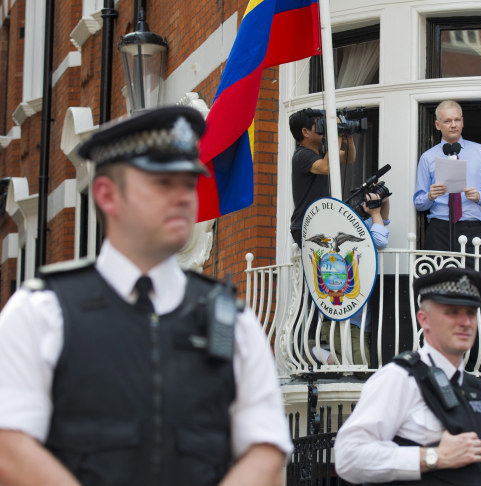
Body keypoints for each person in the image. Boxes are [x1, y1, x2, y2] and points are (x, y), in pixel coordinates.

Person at [0, 106, 293, 486]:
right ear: (107, 194)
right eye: (162, 183)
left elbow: (266, 450)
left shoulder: (231, 319)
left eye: (188, 183)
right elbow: (10, 446)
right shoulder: (42, 311)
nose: (184, 197)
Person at [334, 267, 481, 485]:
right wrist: (434, 457)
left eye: (471, 313)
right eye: (452, 312)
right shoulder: (398, 379)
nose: (465, 322)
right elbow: (348, 456)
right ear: (424, 319)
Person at [413, 100, 481, 255]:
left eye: (457, 120)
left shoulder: (480, 152)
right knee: (439, 280)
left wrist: (479, 196)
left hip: (472, 228)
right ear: (437, 125)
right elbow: (418, 203)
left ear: (462, 122)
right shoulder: (427, 158)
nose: (453, 125)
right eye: (447, 121)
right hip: (439, 229)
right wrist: (430, 196)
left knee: (474, 279)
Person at [314, 192, 390, 366]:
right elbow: (379, 240)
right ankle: (316, 351)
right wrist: (375, 213)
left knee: (362, 362)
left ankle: (324, 353)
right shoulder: (335, 235)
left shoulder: (358, 228)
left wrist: (383, 203)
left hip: (359, 315)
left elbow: (382, 223)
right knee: (360, 366)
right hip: (343, 315)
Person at [289, 108, 356, 247]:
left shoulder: (320, 152)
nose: (325, 129)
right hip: (306, 225)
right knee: (319, 262)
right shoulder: (301, 155)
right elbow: (326, 167)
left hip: (318, 223)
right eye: (320, 125)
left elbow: (349, 158)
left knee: (325, 263)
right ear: (305, 132)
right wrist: (335, 132)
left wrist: (348, 140)